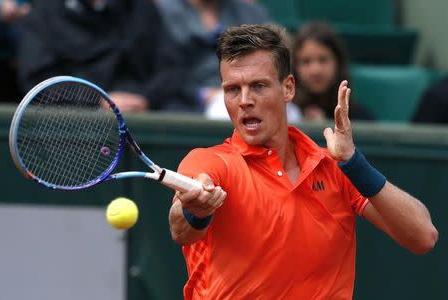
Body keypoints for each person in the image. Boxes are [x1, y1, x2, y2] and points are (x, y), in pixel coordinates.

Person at [168, 24, 438, 299]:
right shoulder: (209, 163)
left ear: (288, 88)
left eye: (258, 86)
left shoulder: (335, 167)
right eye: (233, 89)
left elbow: (423, 236)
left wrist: (354, 163)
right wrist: (196, 210)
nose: (245, 100)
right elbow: (181, 230)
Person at [154, 0, 301, 121]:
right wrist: (202, 94)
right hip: (184, 103)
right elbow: (162, 71)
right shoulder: (162, 11)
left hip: (247, 90)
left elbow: (279, 53)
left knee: (289, 112)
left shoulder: (249, 12)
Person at [17, 0, 173, 112]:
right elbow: (38, 81)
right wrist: (96, 100)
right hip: (77, 128)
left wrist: (145, 99)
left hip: (143, 119)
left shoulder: (140, 8)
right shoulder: (44, 13)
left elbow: (170, 67)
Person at [292, 21, 374, 122]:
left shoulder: (360, 118)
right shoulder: (286, 113)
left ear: (338, 62)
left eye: (323, 60)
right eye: (306, 62)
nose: (315, 70)